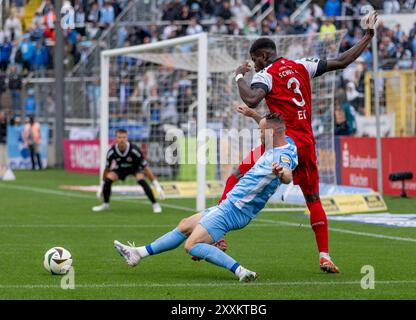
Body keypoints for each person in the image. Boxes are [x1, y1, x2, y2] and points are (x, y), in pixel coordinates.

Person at [216, 11, 380, 273]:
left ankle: (217, 234)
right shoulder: (304, 65)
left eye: (254, 59)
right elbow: (343, 61)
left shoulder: (266, 74)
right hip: (306, 144)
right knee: (313, 198)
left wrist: (238, 76)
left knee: (234, 177)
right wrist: (368, 35)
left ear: (263, 55)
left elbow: (251, 98)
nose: (255, 64)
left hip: (282, 144)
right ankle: (324, 255)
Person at [114, 113, 298, 281]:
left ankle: (241, 271)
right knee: (185, 225)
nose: (259, 134)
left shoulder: (282, 155)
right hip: (232, 204)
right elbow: (272, 129)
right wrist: (254, 116)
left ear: (271, 133)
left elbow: (287, 174)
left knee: (191, 245)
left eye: (261, 131)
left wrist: (281, 173)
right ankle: (138, 253)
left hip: (236, 208)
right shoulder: (282, 141)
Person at [92, 129, 165, 213]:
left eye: (124, 137)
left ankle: (155, 204)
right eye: (119, 137)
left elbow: (146, 168)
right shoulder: (111, 151)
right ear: (116, 138)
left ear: (127, 138)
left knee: (141, 180)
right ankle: (105, 204)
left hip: (135, 168)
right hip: (121, 169)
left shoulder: (134, 150)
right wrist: (102, 185)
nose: (122, 139)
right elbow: (107, 169)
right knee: (108, 179)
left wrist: (157, 186)